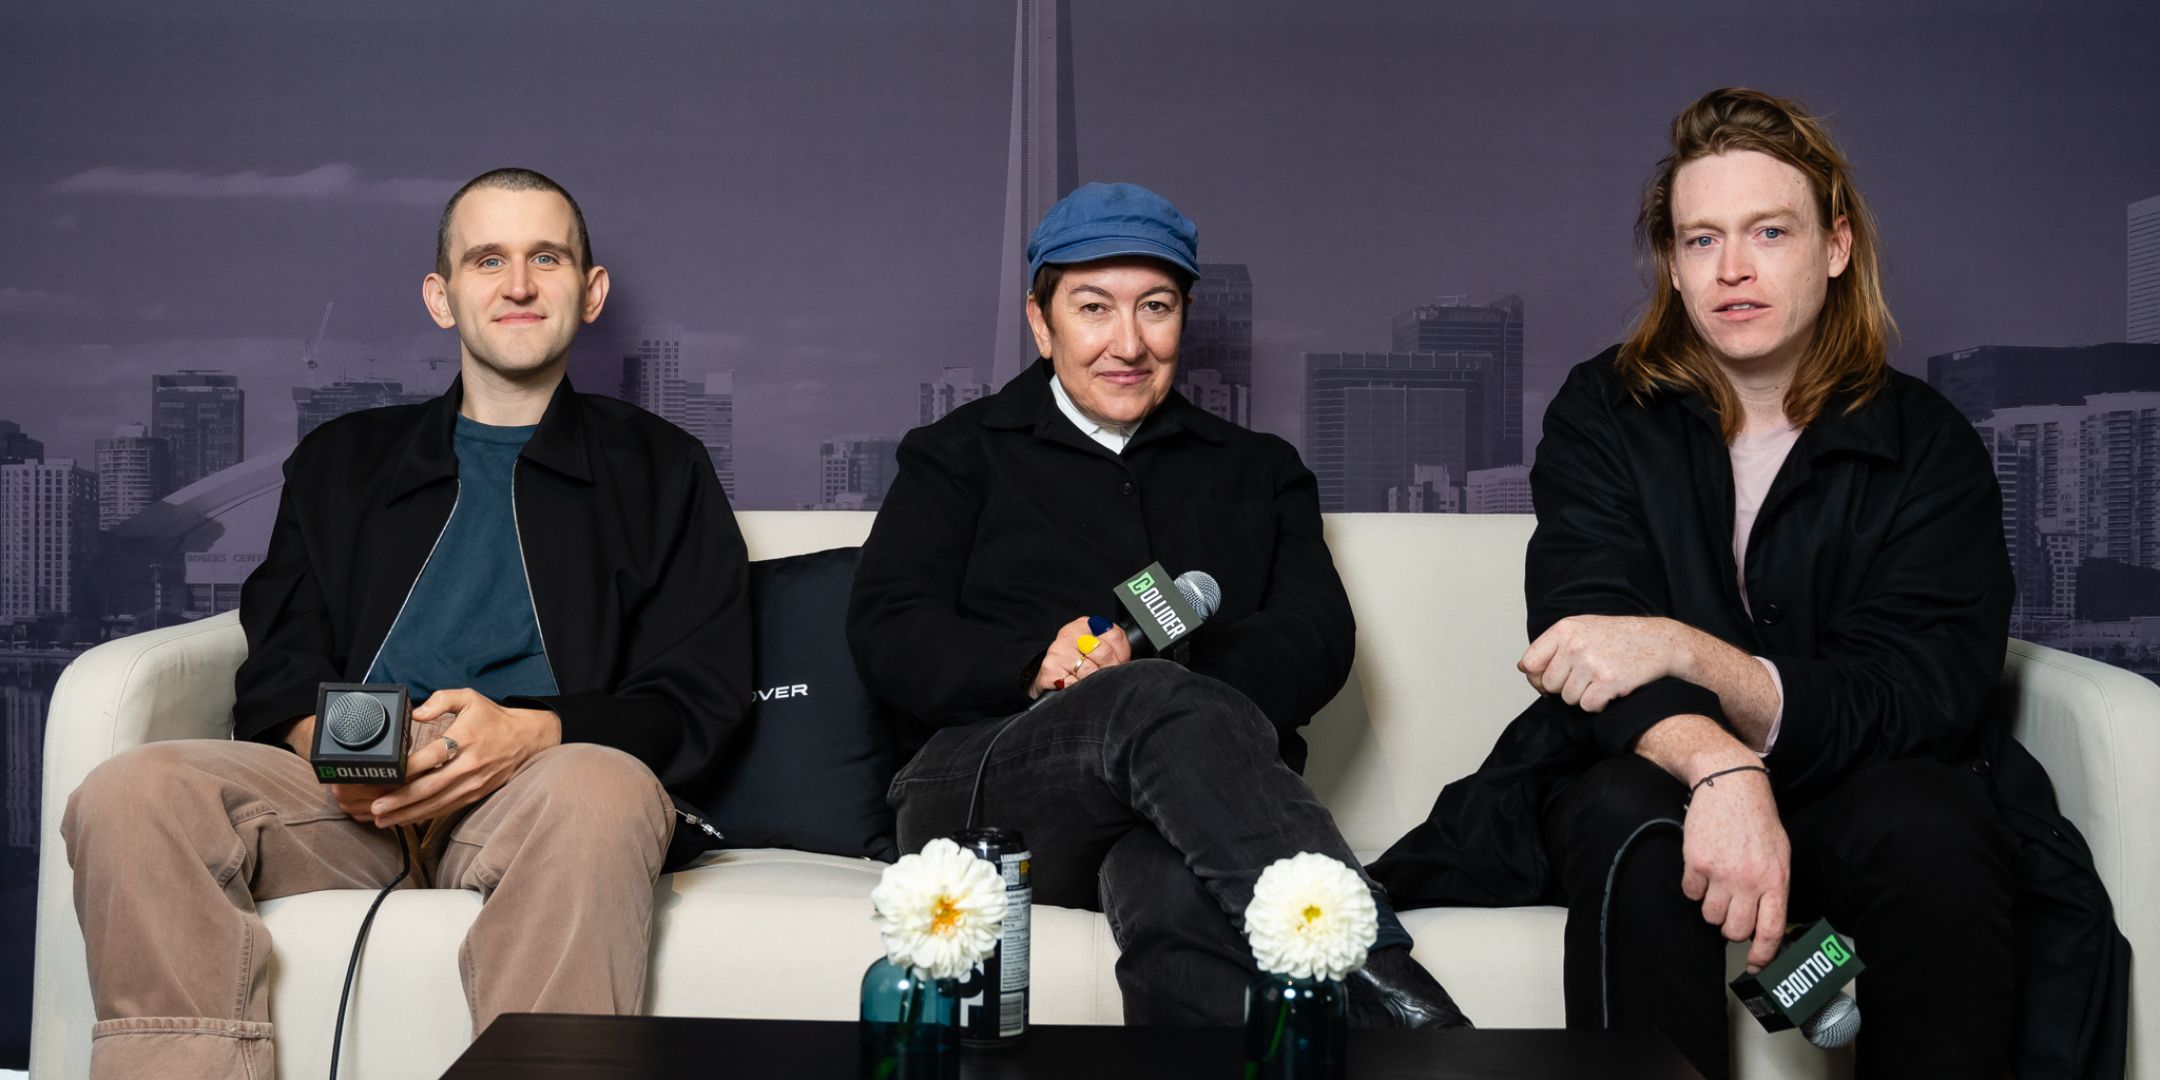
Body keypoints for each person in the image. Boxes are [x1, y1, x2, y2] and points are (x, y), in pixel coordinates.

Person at [1370, 88, 2023, 1078]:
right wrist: (1722, 769)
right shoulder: (1604, 409)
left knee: (1934, 831)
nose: (1734, 269)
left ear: (1836, 246)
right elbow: (1584, 638)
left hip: (1861, 782)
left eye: (1769, 231)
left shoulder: (1924, 443)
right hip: (1645, 769)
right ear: (1672, 266)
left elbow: (1920, 689)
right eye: (1701, 239)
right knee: (1627, 819)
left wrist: (1684, 649)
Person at [61, 167, 752, 1078]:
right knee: (129, 793)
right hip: (347, 804)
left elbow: (698, 697)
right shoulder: (341, 461)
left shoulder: (663, 467)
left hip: (539, 796)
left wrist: (533, 732)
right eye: (487, 260)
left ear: (591, 293)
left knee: (600, 788)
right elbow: (278, 662)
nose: (516, 285)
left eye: (546, 258)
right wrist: (343, 752)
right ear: (441, 296)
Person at [848, 182, 1468, 1028]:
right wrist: (1037, 662)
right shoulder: (956, 457)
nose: (1128, 343)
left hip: (1198, 803)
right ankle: (1414, 1019)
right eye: (1094, 308)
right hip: (985, 790)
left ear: (1185, 318)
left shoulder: (1257, 470)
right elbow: (888, 630)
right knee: (1138, 699)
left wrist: (1176, 678)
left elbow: (1316, 636)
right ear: (1041, 322)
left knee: (1171, 879)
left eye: (1157, 307)